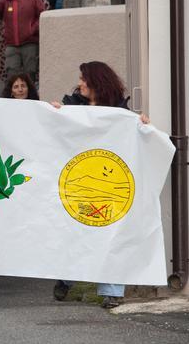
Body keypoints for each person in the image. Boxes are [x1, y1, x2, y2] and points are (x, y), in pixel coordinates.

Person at [50, 61, 150, 309]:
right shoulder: (72, 104)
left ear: (96, 81)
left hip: (108, 181)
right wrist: (54, 113)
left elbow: (131, 131)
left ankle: (112, 291)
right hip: (78, 178)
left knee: (111, 233)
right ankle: (68, 277)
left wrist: (141, 125)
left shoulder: (118, 109)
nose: (80, 83)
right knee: (77, 229)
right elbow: (57, 126)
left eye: (84, 79)